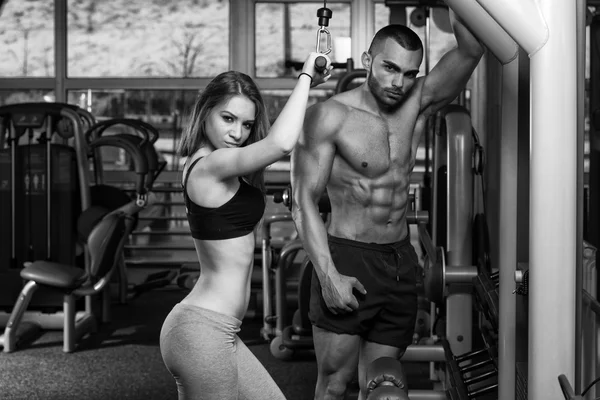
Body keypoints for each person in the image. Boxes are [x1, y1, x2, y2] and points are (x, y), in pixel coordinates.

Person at [290, 13, 485, 400]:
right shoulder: (330, 116)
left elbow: (471, 49)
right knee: (333, 384)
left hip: (398, 261)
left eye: (410, 73)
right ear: (367, 61)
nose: (399, 83)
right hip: (348, 257)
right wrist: (328, 275)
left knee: (381, 383)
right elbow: (302, 201)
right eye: (390, 68)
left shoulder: (417, 102)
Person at [159, 52, 332, 400]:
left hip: (216, 331)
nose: (237, 133)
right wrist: (306, 78)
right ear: (205, 110)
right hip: (202, 330)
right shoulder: (209, 165)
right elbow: (281, 143)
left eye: (247, 124)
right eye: (228, 118)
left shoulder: (213, 164)